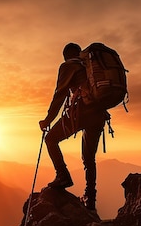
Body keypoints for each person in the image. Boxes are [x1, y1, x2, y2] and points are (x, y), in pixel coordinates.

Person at [39, 42, 108, 212]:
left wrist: (48, 119)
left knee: (50, 139)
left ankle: (63, 175)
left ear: (66, 56)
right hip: (99, 114)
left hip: (81, 113)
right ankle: (90, 200)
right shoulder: (89, 66)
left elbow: (60, 94)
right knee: (89, 158)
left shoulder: (68, 66)